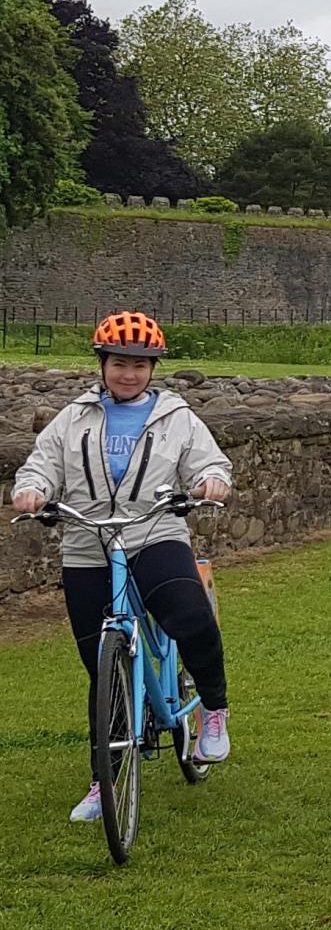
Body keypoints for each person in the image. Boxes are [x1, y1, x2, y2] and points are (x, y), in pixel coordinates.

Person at [10, 311, 234, 823]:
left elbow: (209, 462)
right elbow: (41, 463)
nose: (128, 374)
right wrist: (33, 490)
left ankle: (213, 712)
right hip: (88, 543)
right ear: (102, 365)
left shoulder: (176, 417)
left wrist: (211, 482)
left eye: (139, 365)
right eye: (118, 363)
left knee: (191, 616)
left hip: (153, 533)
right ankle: (103, 783)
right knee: (102, 672)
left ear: (153, 369)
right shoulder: (75, 417)